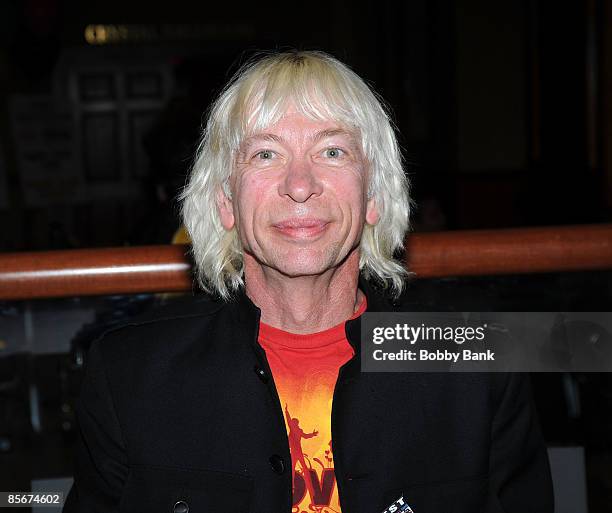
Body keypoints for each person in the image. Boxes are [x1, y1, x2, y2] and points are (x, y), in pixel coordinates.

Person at [64, 50, 553, 513]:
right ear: (225, 202)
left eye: (333, 151)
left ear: (374, 196)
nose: (300, 185)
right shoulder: (130, 375)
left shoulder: (477, 362)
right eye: (265, 155)